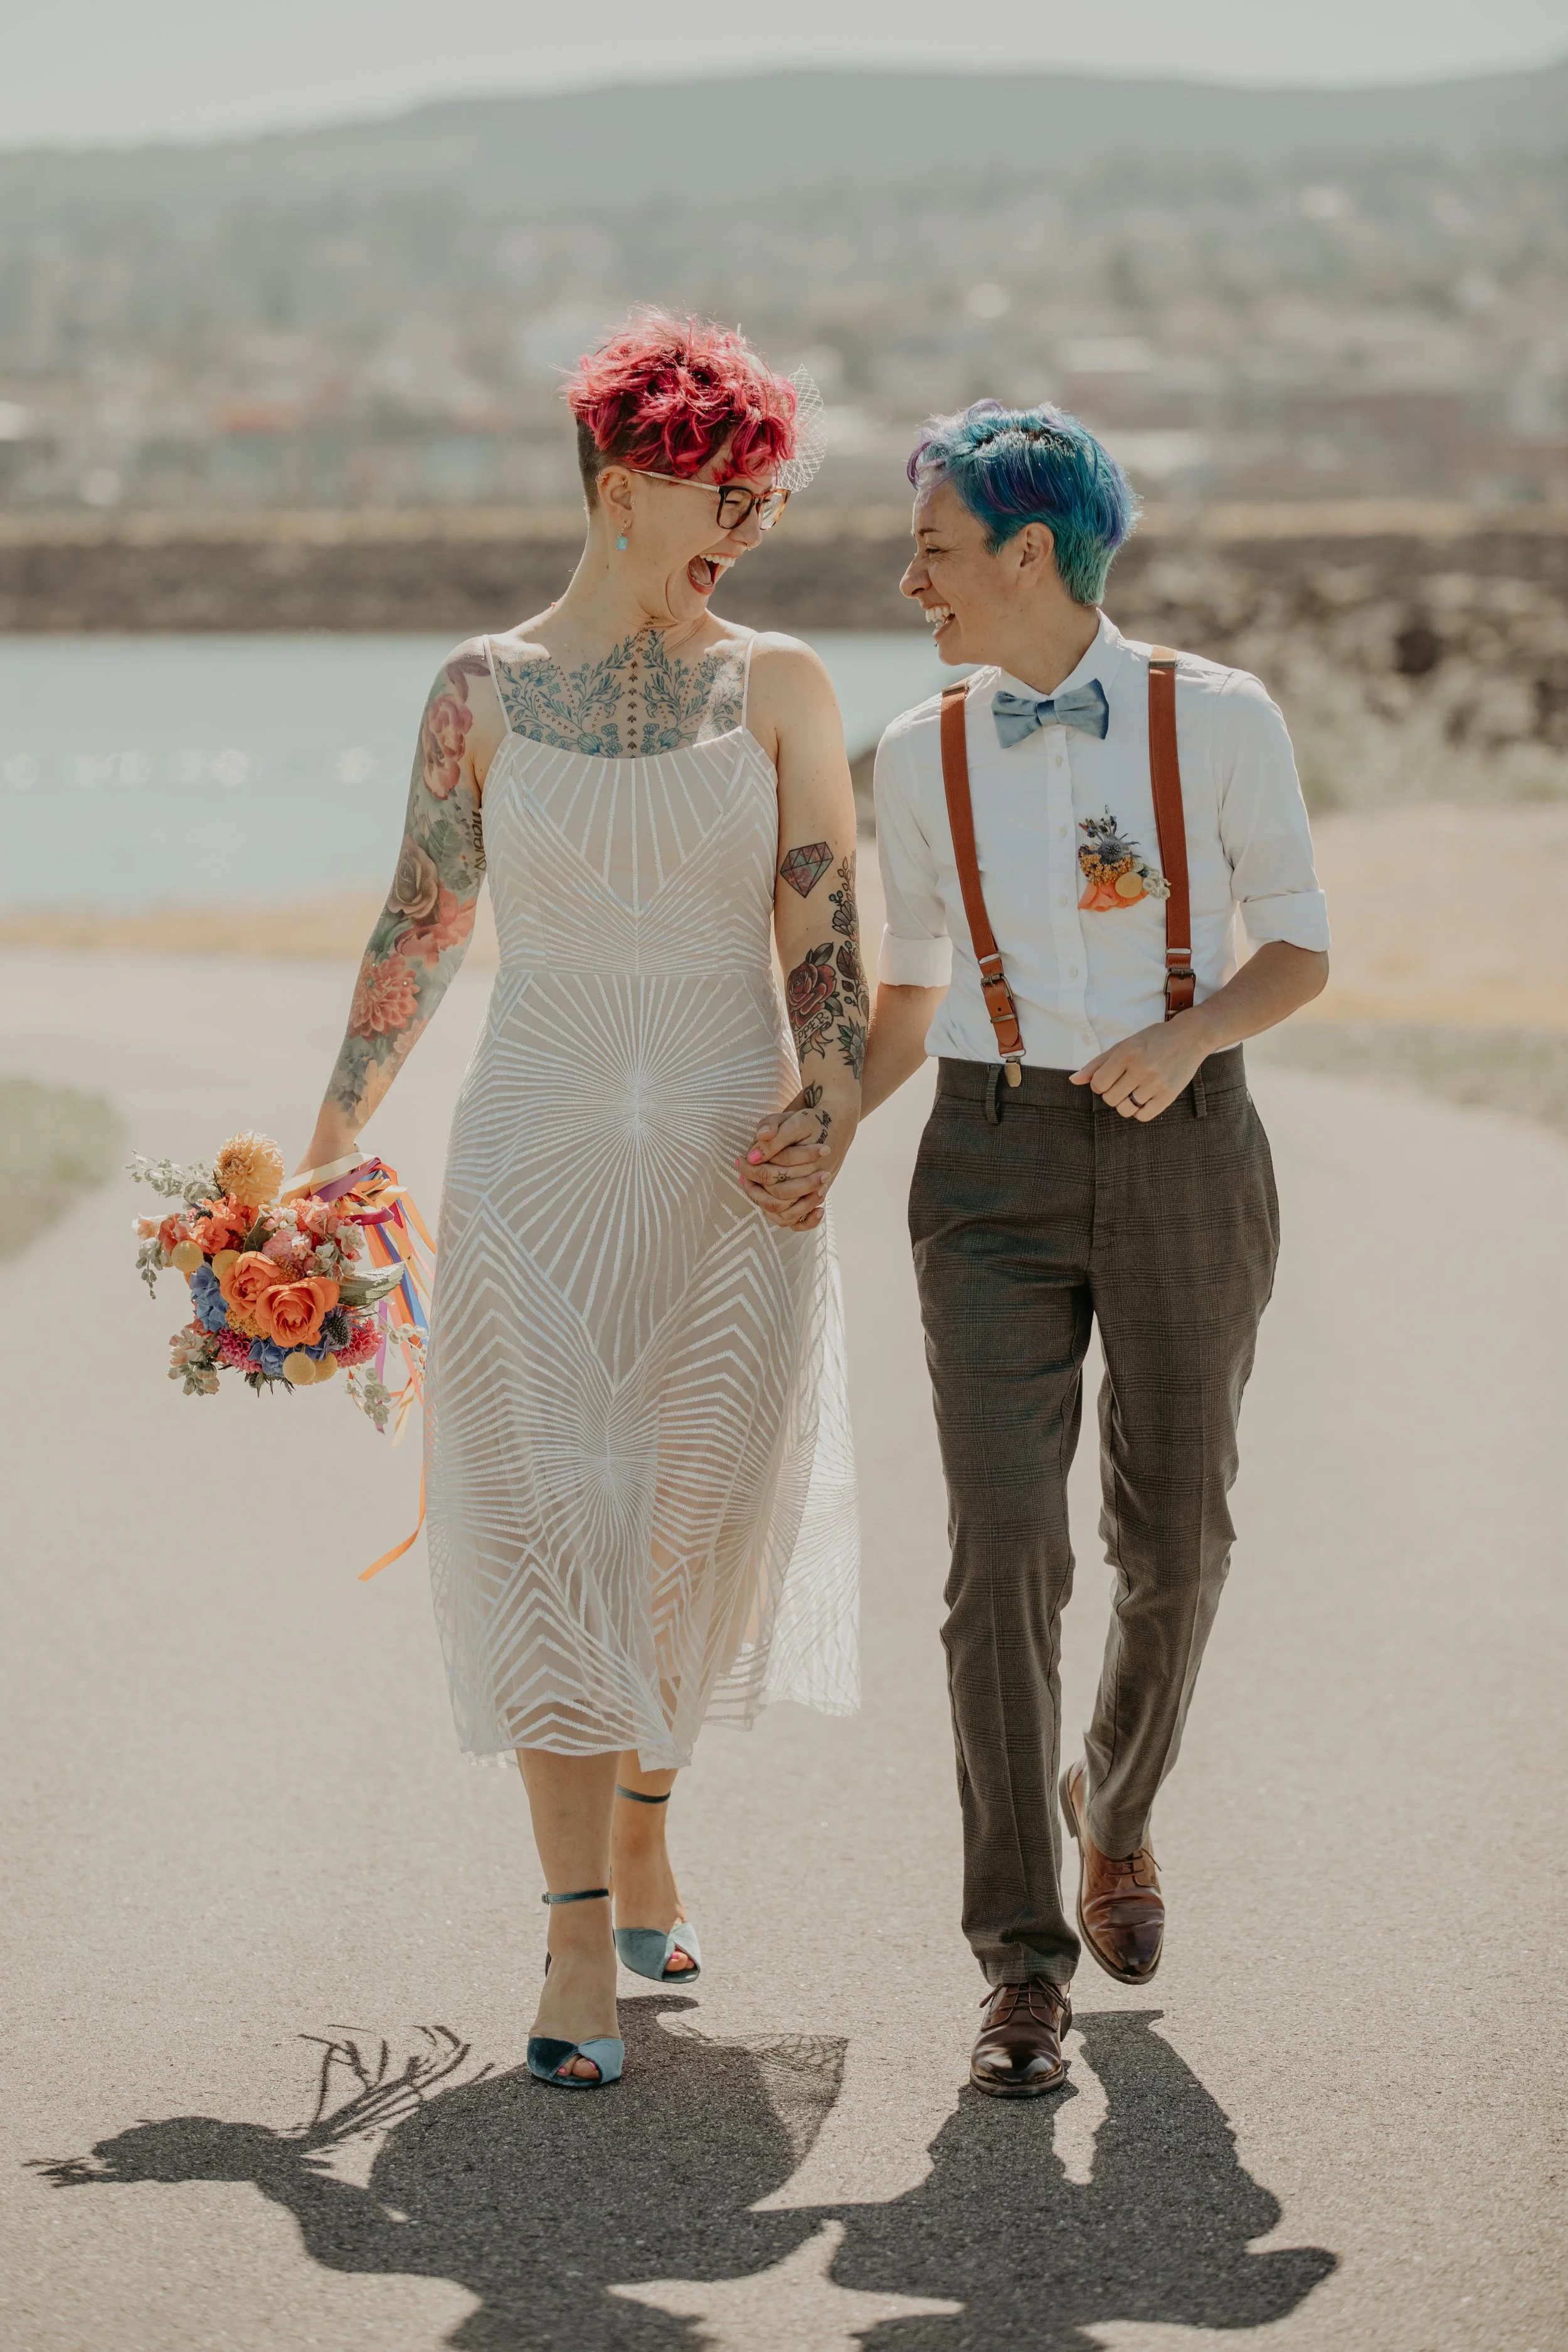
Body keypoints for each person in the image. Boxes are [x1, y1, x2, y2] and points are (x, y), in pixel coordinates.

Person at [293, 310, 862, 2092]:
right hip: (535, 1162)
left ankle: (642, 1820)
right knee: (544, 1530)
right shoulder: (478, 689)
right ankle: (567, 1930)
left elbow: (826, 936)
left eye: (763, 506)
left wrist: (833, 1093)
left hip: (724, 1171)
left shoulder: (777, 683)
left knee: (692, 1525)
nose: (744, 537)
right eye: (723, 500)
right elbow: (419, 923)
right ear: (625, 488)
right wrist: (318, 1153)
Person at [744, 400, 1329, 2099]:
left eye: (931, 544)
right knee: (999, 1554)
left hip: (1183, 1153)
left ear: (1025, 549)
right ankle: (1018, 1959)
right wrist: (827, 1107)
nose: (907, 575)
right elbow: (910, 994)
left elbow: (1295, 949)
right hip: (984, 1163)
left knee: (1176, 1536)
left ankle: (1116, 1808)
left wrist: (1193, 1033)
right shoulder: (916, 752)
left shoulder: (1214, 719)